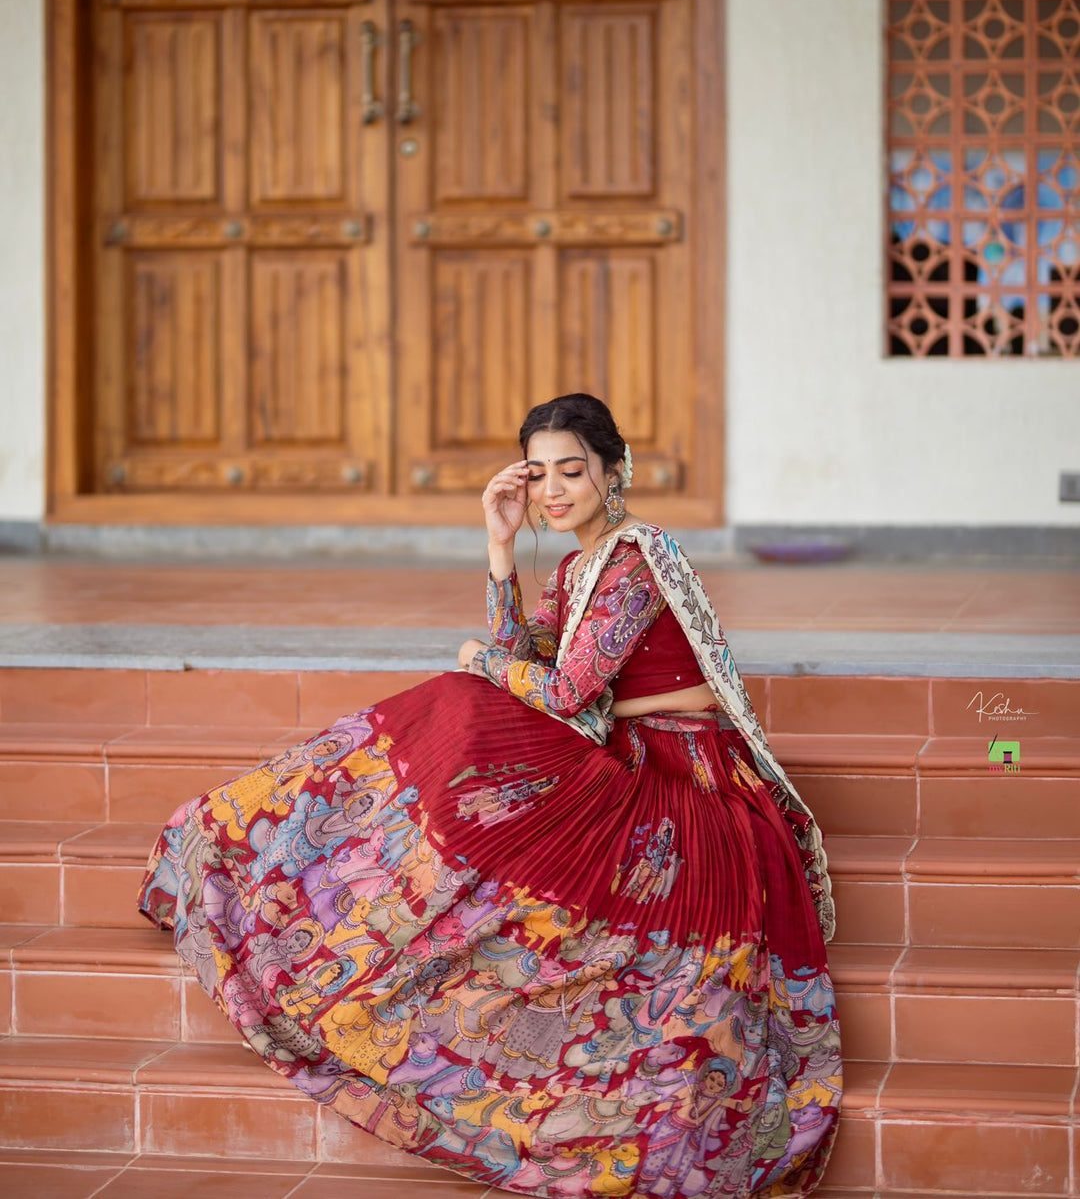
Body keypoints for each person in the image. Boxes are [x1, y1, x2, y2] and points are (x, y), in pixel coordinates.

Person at [138, 392, 843, 1198]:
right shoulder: (582, 565)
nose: (552, 490)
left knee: (467, 699)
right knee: (472, 704)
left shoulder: (636, 560)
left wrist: (478, 658)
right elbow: (529, 660)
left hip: (695, 785)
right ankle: (261, 854)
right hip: (633, 760)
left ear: (614, 473)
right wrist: (500, 547)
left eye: (571, 471)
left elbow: (567, 688)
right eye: (538, 474)